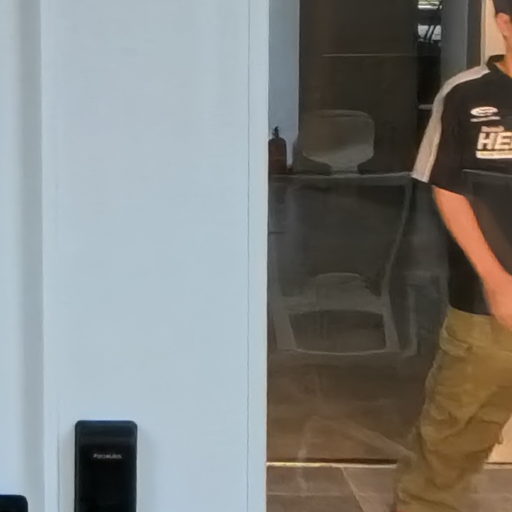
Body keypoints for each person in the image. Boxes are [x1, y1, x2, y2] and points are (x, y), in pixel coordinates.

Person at [395, 1, 512, 511]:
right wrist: (496, 279)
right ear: (504, 24)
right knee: (457, 425)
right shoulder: (467, 94)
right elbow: (447, 188)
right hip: (489, 301)